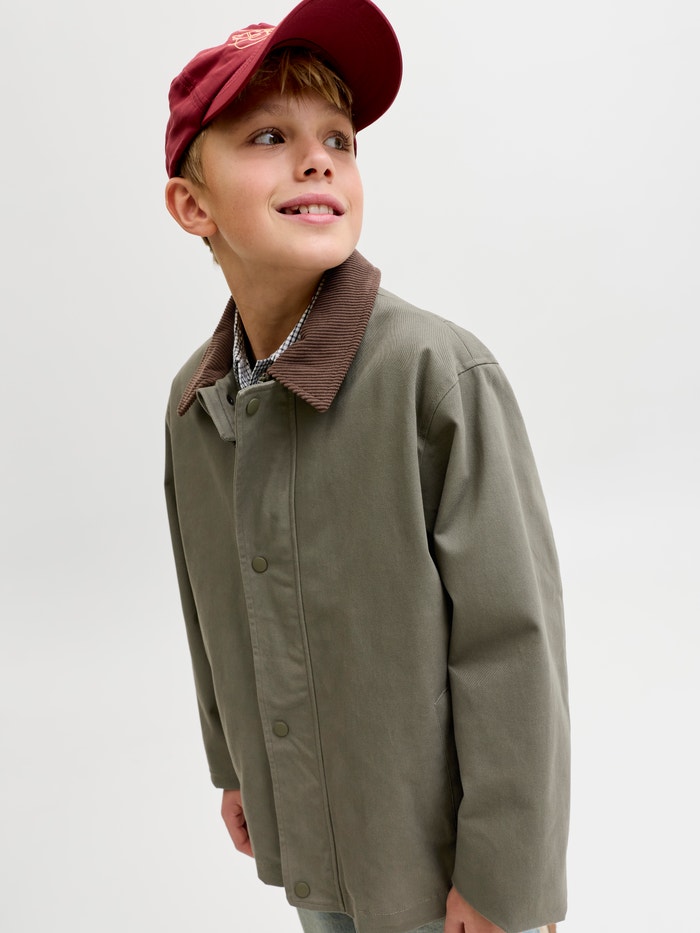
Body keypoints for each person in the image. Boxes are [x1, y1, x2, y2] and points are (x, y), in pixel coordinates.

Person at [162, 1, 569, 931]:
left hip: (441, 869)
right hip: (315, 833)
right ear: (193, 205)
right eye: (270, 136)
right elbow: (206, 599)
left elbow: (515, 644)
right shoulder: (196, 401)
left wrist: (506, 879)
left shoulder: (436, 375)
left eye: (338, 140)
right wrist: (234, 764)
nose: (317, 161)